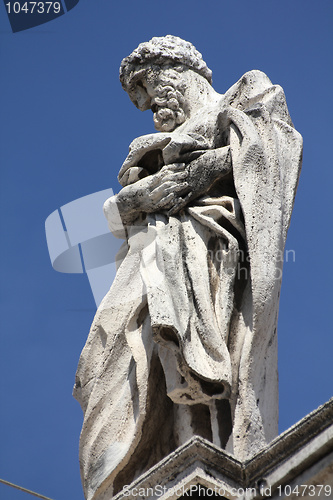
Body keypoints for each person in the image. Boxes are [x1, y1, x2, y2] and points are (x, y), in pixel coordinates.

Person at [73, 36, 303, 500]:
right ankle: (141, 477)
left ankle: (206, 462)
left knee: (197, 376)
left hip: (211, 253)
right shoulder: (149, 147)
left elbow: (277, 146)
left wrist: (202, 173)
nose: (146, 102)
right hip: (146, 259)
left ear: (178, 67)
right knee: (104, 362)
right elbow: (117, 213)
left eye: (147, 85)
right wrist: (139, 197)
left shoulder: (244, 92)